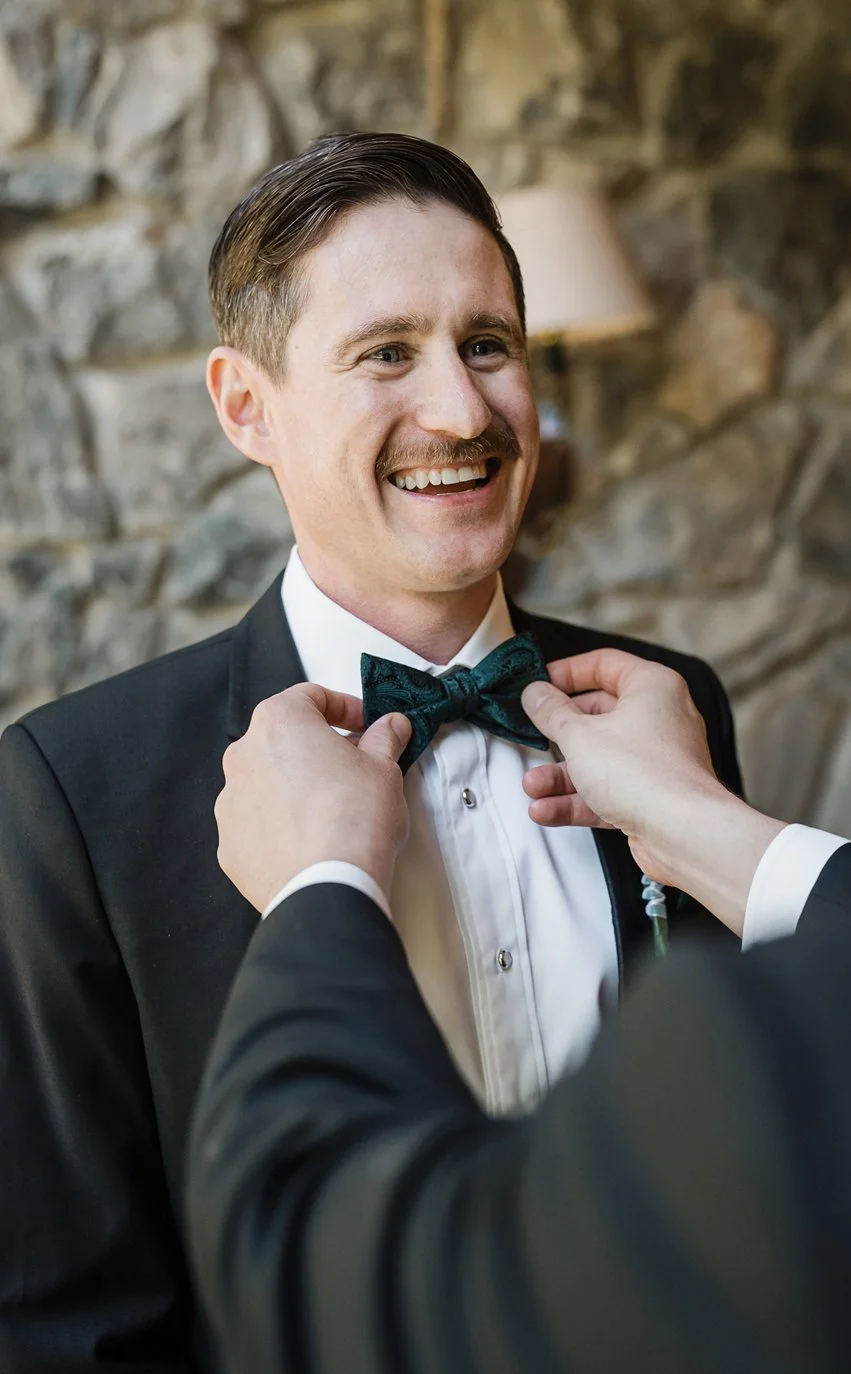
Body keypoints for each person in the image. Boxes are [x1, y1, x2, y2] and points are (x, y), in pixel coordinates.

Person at [0, 134, 741, 1371]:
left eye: (487, 344)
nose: (461, 410)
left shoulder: (670, 708)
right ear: (247, 407)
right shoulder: (75, 796)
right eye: (386, 352)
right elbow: (69, 1319)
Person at [188, 649, 851, 1374]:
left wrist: (321, 880)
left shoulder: (682, 701)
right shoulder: (88, 768)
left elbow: (311, 1281)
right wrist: (696, 821)